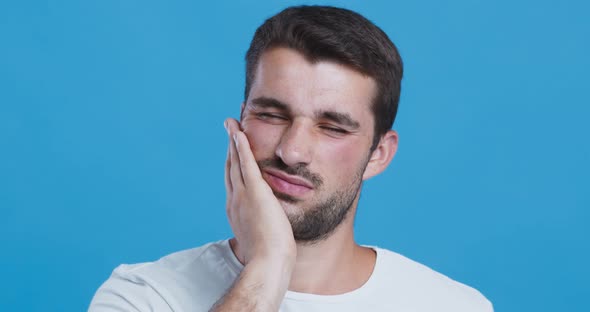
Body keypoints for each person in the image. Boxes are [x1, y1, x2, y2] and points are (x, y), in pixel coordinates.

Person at [89, 5, 493, 312]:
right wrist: (267, 270)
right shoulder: (145, 297)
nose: (292, 151)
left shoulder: (454, 306)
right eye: (271, 114)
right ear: (239, 123)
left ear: (379, 155)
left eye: (333, 127)